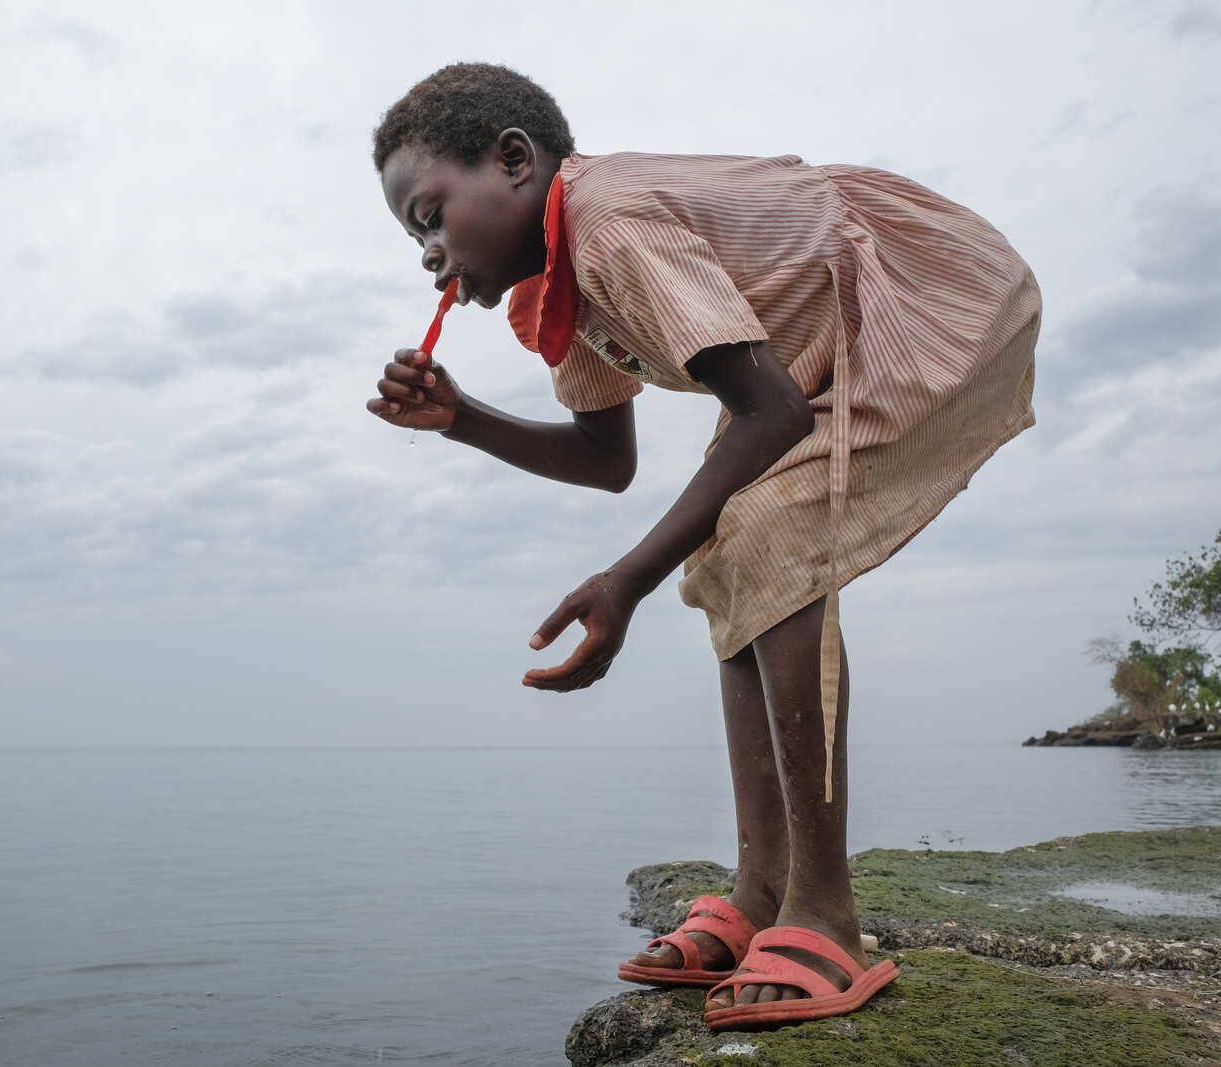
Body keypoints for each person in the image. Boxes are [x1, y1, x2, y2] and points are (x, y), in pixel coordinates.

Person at [366, 63, 1038, 1029]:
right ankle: (764, 886)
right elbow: (609, 461)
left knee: (768, 526)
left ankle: (826, 911)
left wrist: (624, 580)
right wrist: (462, 419)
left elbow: (765, 413)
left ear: (514, 161)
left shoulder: (610, 227)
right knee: (722, 553)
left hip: (921, 294)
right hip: (804, 359)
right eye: (413, 236)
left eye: (431, 215)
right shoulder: (559, 296)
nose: (428, 253)